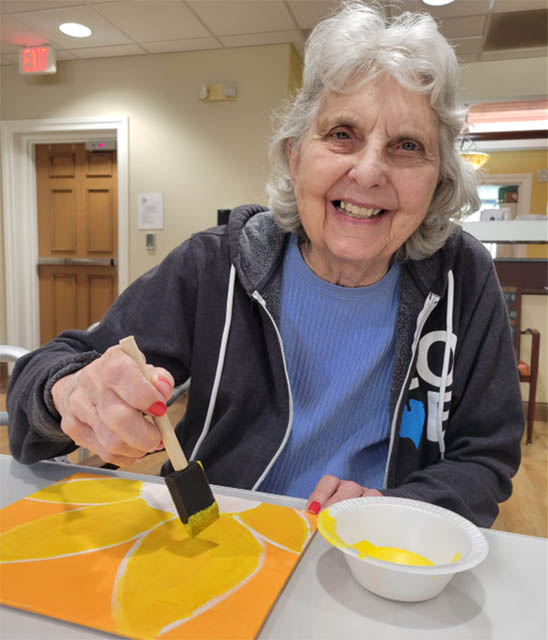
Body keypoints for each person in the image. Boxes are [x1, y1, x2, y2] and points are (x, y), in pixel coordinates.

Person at [7, 2, 523, 527]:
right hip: (221, 544)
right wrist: (69, 392)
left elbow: (485, 456)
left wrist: (396, 511)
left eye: (407, 145)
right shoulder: (216, 265)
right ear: (295, 157)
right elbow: (44, 375)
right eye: (342, 134)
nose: (369, 172)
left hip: (381, 558)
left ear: (438, 179)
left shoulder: (464, 277)